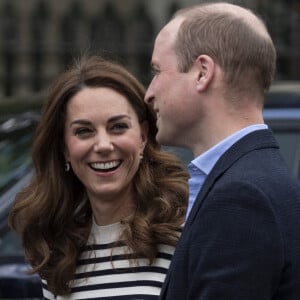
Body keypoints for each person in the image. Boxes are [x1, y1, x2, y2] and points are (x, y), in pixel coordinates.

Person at [144, 2, 300, 300]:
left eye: (157, 71)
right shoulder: (256, 177)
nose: (148, 92)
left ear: (202, 73)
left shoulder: (241, 197)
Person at [9, 55, 189, 299]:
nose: (103, 145)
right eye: (84, 131)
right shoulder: (57, 253)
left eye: (118, 127)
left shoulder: (184, 233)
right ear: (64, 148)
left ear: (143, 137)